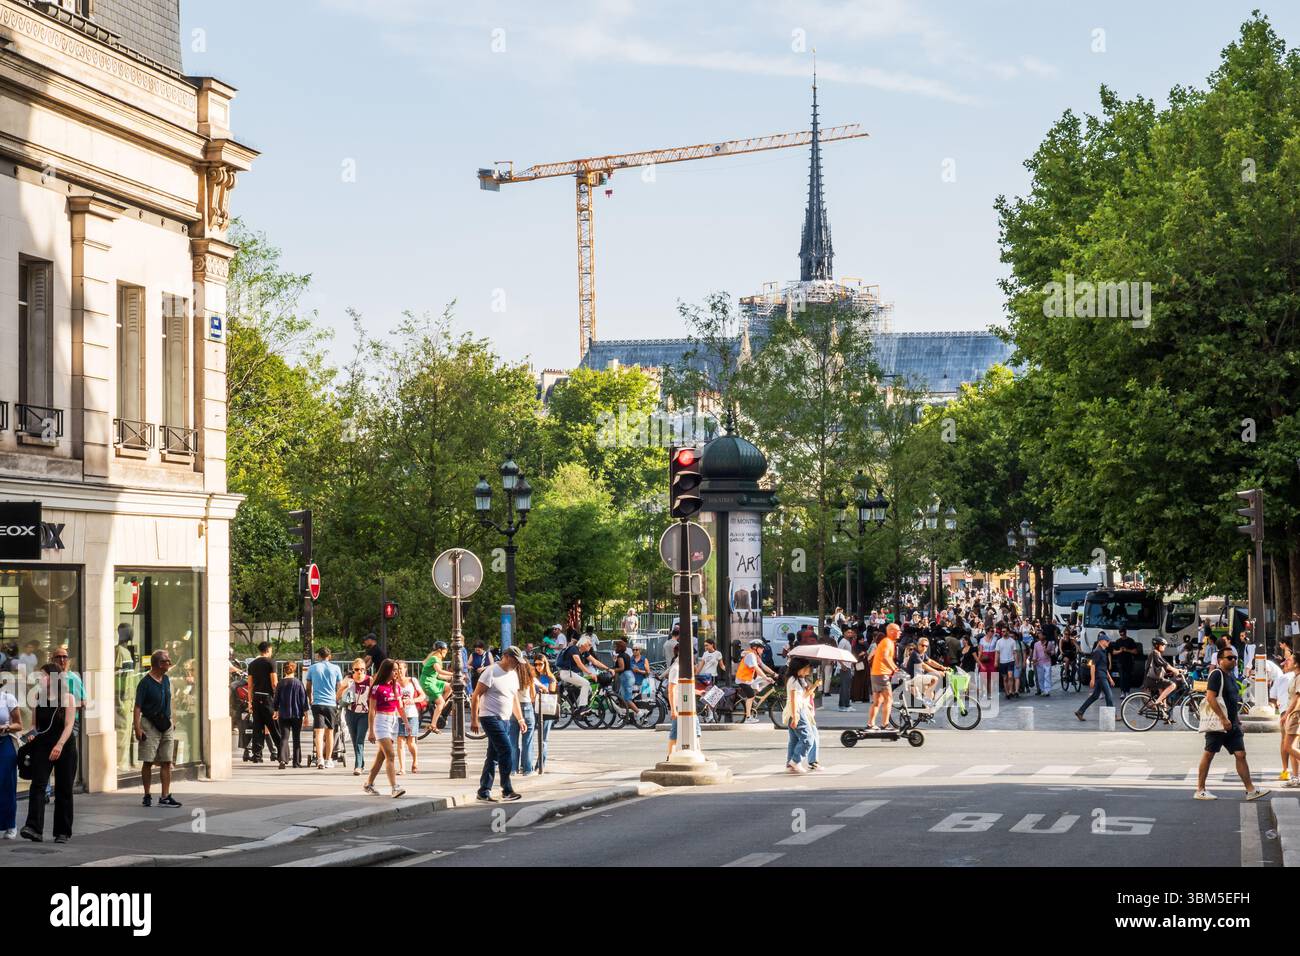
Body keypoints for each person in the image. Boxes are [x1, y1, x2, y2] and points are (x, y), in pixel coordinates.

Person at [1194, 646, 1270, 802]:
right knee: (1209, 754)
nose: (1234, 660)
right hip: (1220, 725)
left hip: (1232, 725)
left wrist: (1236, 719)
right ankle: (1200, 790)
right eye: (1230, 658)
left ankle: (1251, 790)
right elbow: (1210, 698)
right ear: (1220, 660)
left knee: (1240, 754)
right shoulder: (1216, 675)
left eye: (1235, 657)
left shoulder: (1230, 676)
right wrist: (1223, 718)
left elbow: (1231, 701)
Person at [20, 664, 77, 842]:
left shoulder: (68, 698)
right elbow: (35, 726)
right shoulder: (38, 697)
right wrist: (29, 736)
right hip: (43, 745)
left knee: (64, 787)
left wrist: (59, 745)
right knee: (38, 785)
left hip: (64, 746)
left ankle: (62, 831)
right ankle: (33, 827)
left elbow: (69, 726)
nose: (40, 679)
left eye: (43, 676)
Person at [471, 645, 524, 803]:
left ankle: (483, 791)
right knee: (506, 749)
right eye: (515, 661)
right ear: (506, 657)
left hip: (505, 718)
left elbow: (514, 698)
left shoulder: (513, 675)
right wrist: (474, 719)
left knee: (493, 755)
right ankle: (506, 789)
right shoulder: (491, 672)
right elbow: (476, 696)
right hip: (490, 717)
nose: (517, 664)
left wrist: (520, 718)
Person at [133, 650, 182, 810]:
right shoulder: (145, 683)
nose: (170, 663)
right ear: (159, 664)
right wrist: (137, 728)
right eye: (167, 661)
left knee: (167, 761)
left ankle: (165, 796)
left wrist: (172, 719)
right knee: (148, 760)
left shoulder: (166, 679)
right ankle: (147, 794)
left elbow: (170, 700)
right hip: (149, 723)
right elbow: (137, 707)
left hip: (165, 723)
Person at [362, 659, 406, 798]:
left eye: (397, 669)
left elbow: (399, 706)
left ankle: (368, 783)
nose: (397, 672)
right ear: (387, 671)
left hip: (393, 721)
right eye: (394, 670)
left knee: (381, 758)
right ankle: (395, 787)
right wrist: (371, 731)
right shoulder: (377, 688)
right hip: (381, 721)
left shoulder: (396, 687)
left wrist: (406, 723)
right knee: (391, 755)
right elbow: (372, 711)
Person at [304, 647, 343, 769]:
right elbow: (340, 687)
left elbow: (308, 687)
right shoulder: (336, 668)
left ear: (318, 656)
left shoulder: (313, 668)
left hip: (317, 703)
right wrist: (336, 699)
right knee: (330, 732)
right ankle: (329, 759)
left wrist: (310, 699)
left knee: (319, 732)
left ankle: (319, 758)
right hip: (331, 703)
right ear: (329, 656)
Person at [246, 641, 280, 764]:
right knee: (274, 726)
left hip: (256, 698)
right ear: (268, 650)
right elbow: (274, 683)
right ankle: (281, 753)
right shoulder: (271, 662)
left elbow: (250, 685)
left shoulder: (252, 664)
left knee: (257, 727)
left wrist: (250, 702)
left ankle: (257, 755)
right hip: (268, 698)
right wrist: (278, 699)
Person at [784, 657, 816, 774]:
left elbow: (804, 696)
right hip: (796, 710)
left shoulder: (798, 680)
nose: (809, 669)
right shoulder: (793, 680)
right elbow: (793, 700)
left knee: (794, 739)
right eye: (807, 667)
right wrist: (796, 716)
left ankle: (790, 764)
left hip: (796, 709)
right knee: (808, 738)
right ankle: (795, 761)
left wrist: (814, 685)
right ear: (800, 668)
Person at [274, 660, 309, 769]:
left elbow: (276, 699)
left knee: (284, 737)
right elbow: (303, 700)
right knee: (296, 738)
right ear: (294, 669)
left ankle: (283, 760)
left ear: (284, 670)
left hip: (283, 714)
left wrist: (275, 711)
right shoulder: (298, 683)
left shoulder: (280, 683)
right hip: (297, 714)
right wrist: (306, 715)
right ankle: (296, 762)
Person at [1074, 633, 1115, 721]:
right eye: (1107, 641)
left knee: (1095, 696)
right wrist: (1092, 679)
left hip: (1103, 675)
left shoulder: (1103, 651)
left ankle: (1080, 711)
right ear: (1101, 641)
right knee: (1109, 695)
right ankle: (1112, 716)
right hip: (1100, 677)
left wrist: (1110, 678)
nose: (1108, 642)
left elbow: (1104, 667)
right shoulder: (1097, 651)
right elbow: (1093, 666)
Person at [0, 677, 22, 839]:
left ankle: (10, 825)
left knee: (7, 783)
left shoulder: (7, 698)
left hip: (5, 743)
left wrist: (6, 727)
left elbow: (19, 724)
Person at [867, 623, 900, 731]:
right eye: (897, 630)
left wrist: (895, 668)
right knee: (889, 699)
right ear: (891, 631)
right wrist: (894, 669)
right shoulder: (888, 642)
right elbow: (885, 658)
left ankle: (871, 724)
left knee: (878, 701)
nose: (900, 632)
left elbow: (887, 659)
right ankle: (885, 724)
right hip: (882, 674)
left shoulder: (886, 642)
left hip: (876, 674)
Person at [394, 661, 424, 774]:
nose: (399, 671)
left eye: (401, 668)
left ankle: (415, 760)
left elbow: (422, 696)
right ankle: (402, 768)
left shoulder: (412, 680)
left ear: (405, 669)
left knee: (411, 741)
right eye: (397, 669)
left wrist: (412, 700)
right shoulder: (393, 682)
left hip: (411, 714)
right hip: (398, 715)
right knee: (400, 741)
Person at [735, 639, 777, 722]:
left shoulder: (755, 655)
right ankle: (748, 718)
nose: (763, 649)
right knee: (751, 696)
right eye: (761, 648)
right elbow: (756, 668)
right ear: (755, 648)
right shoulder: (751, 655)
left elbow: (763, 666)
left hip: (749, 679)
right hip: (743, 680)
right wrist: (765, 677)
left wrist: (774, 674)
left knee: (766, 681)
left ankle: (753, 698)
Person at [512, 655, 538, 776]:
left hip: (513, 708)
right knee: (527, 741)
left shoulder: (511, 676)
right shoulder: (529, 676)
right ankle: (527, 769)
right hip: (527, 707)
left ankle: (513, 768)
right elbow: (533, 696)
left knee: (512, 740)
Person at [530, 651, 557, 771]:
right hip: (533, 707)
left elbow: (551, 693)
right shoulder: (533, 676)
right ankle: (528, 763)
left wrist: (543, 689)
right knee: (530, 737)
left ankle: (541, 764)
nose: (538, 666)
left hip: (546, 709)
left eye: (540, 664)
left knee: (543, 739)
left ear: (545, 664)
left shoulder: (550, 677)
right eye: (536, 664)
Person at [1143, 638, 1182, 714]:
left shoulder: (1156, 653)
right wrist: (1175, 670)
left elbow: (1162, 666)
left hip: (1153, 679)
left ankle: (1165, 713)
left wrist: (1177, 670)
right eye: (1163, 645)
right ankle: (1158, 701)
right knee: (1173, 685)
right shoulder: (1155, 653)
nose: (1164, 646)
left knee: (1163, 691)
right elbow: (1165, 665)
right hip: (1152, 680)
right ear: (1157, 645)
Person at [1278, 652, 1300, 787]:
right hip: (1293, 714)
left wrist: (1287, 715)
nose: (1287, 662)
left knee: (1288, 747)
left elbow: (1297, 698)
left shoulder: (1299, 678)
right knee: (1293, 748)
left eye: (1290, 660)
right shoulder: (1294, 677)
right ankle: (1295, 777)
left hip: (1295, 715)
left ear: (1297, 664)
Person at [419, 643, 452, 733]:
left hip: (433, 681)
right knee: (441, 702)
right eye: (446, 649)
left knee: (449, 687)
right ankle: (433, 725)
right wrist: (455, 674)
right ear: (440, 650)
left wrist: (452, 678)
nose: (447, 651)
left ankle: (438, 705)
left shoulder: (435, 659)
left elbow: (439, 676)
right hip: (428, 683)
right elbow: (439, 671)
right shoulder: (435, 659)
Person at [905, 637, 947, 705]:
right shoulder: (915, 654)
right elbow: (923, 665)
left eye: (926, 646)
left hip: (919, 677)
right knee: (934, 679)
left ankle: (925, 710)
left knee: (931, 693)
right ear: (918, 645)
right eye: (922, 645)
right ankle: (925, 700)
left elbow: (930, 661)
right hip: (912, 678)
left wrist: (942, 667)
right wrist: (937, 672)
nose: (924, 647)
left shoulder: (923, 654)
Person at [1111, 628, 1140, 697]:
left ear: (1126, 633)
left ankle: (1127, 691)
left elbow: (1135, 651)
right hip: (1120, 662)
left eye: (1123, 634)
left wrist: (1127, 650)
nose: (1122, 635)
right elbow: (1113, 652)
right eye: (1121, 634)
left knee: (1128, 677)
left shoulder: (1130, 640)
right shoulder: (1118, 641)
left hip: (1129, 662)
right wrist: (1120, 651)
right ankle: (1122, 692)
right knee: (1121, 677)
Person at [995, 625, 1020, 699]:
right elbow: (997, 652)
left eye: (1004, 631)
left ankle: (1010, 690)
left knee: (1010, 676)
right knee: (1005, 678)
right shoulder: (999, 641)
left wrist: (1017, 662)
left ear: (1008, 632)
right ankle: (1007, 693)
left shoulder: (1012, 641)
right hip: (1002, 662)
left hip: (1010, 661)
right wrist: (996, 662)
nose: (1003, 632)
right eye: (1002, 631)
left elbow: (1015, 652)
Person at [1031, 632, 1053, 697]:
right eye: (1039, 635)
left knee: (1047, 676)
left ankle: (1047, 690)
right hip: (1039, 662)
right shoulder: (1036, 644)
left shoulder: (1049, 643)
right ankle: (1043, 689)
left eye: (1040, 635)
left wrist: (1048, 651)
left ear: (1044, 636)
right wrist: (1034, 660)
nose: (1039, 636)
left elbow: (1053, 652)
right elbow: (1035, 652)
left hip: (1047, 662)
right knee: (1040, 677)